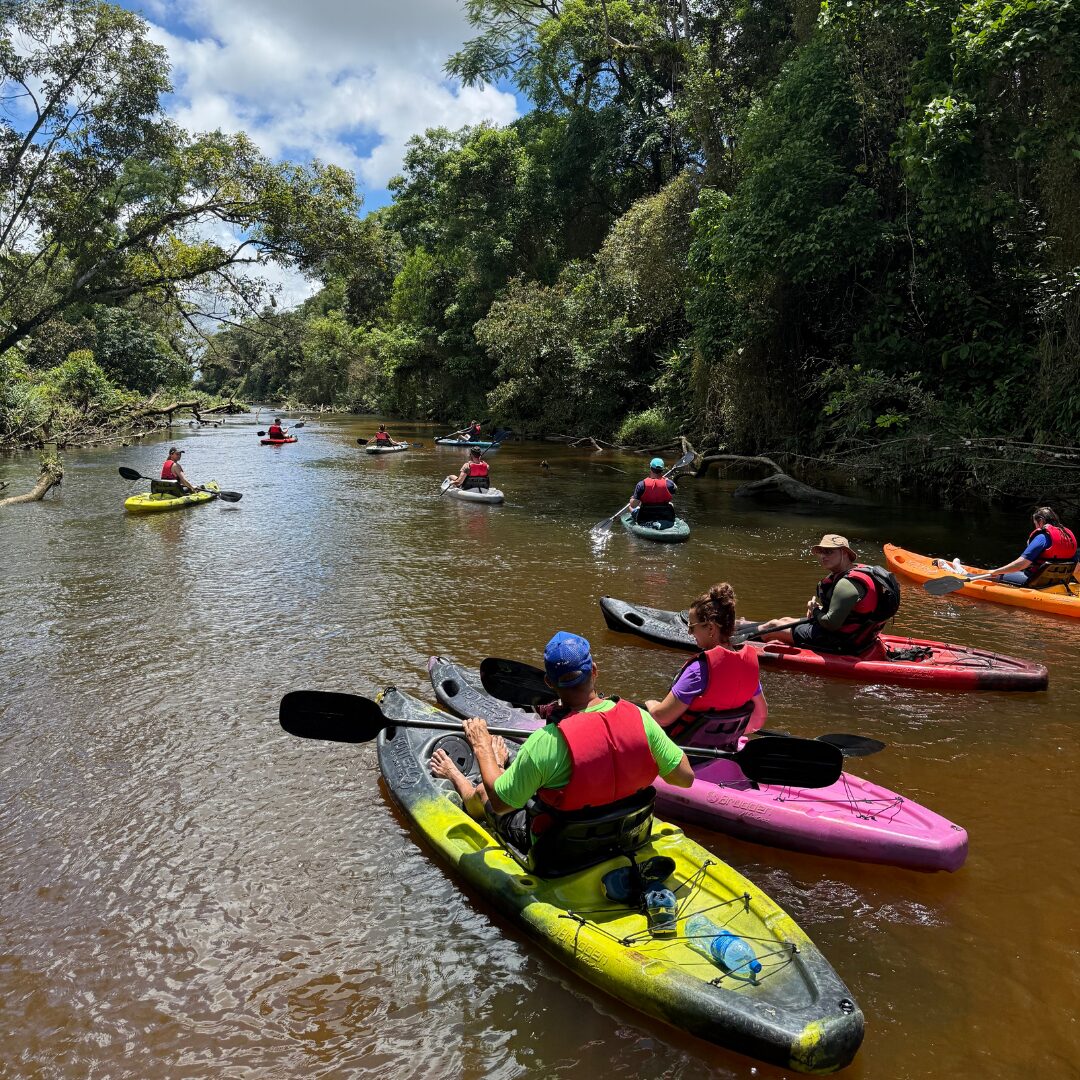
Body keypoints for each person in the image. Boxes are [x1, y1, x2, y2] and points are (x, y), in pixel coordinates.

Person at [430, 632, 695, 857]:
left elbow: (500, 805)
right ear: (594, 670)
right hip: (626, 836)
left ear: (548, 683)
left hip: (561, 851)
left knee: (485, 793)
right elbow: (685, 778)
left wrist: (482, 748)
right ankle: (497, 768)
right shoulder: (641, 719)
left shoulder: (545, 742)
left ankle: (460, 774)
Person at [645, 583, 767, 749]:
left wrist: (650, 704)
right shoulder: (748, 667)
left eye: (691, 627)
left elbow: (662, 718)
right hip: (723, 747)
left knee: (638, 709)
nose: (689, 633)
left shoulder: (699, 670)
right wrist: (726, 733)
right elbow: (758, 719)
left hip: (687, 751)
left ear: (710, 628)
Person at [756, 534, 900, 656]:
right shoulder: (862, 571)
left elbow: (831, 624)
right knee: (784, 620)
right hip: (859, 637)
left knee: (774, 626)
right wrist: (818, 611)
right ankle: (738, 627)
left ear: (844, 553)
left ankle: (738, 639)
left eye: (829, 552)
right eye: (822, 552)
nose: (823, 556)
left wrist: (815, 610)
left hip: (841, 642)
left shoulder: (847, 583)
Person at [983, 507, 1079, 589]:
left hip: (1034, 581)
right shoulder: (1067, 538)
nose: (1036, 527)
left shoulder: (1042, 537)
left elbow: (1021, 564)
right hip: (1058, 583)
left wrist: (997, 571)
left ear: (1041, 521)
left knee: (990, 576)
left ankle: (972, 577)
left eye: (1035, 524)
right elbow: (1076, 569)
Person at [629, 458, 676, 525]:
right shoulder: (670, 484)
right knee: (671, 504)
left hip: (645, 516)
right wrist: (668, 481)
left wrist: (632, 499)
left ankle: (636, 520)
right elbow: (675, 489)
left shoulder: (641, 484)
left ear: (650, 468)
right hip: (664, 515)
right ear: (662, 470)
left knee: (631, 506)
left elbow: (633, 505)